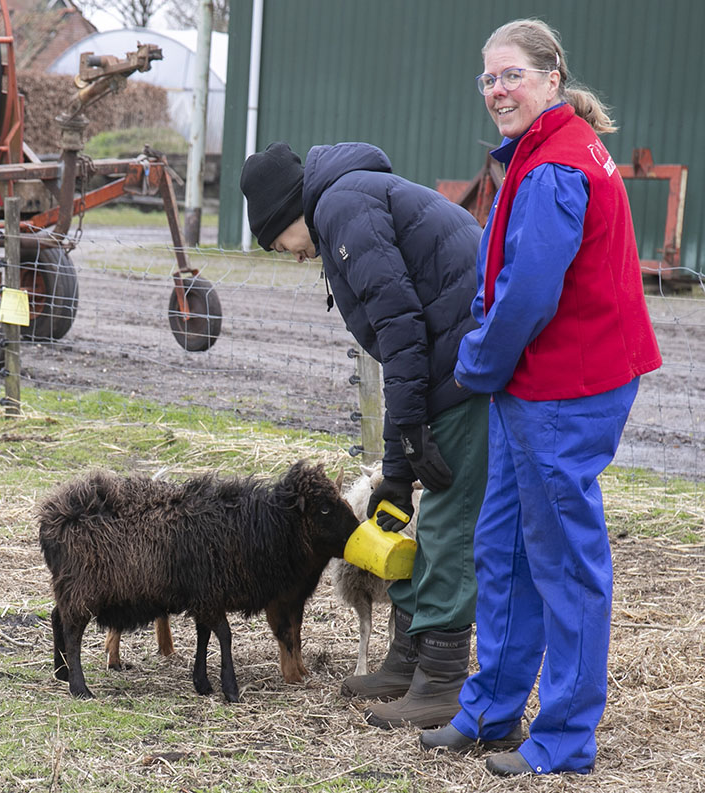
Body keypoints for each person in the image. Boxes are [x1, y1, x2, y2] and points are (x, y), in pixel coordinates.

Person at [417, 19, 663, 776]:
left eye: (512, 75)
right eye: (488, 78)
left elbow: (528, 293)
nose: (497, 89)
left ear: (552, 78)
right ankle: (491, 709)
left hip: (567, 386)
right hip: (539, 386)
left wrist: (475, 364)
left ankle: (563, 735)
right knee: (506, 549)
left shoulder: (557, 165)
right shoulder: (547, 148)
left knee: (563, 561)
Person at [241, 140, 488, 730]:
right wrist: (397, 475)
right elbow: (401, 330)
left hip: (467, 366)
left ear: (283, 216)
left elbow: (401, 331)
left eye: (275, 242)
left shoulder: (342, 209)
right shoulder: (342, 210)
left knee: (448, 515)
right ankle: (407, 660)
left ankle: (444, 682)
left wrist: (407, 436)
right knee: (405, 514)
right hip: (450, 362)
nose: (286, 254)